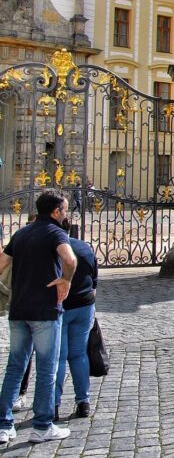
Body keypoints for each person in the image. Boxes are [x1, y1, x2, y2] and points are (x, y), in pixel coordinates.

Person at [0, 190, 77, 446]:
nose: (66, 214)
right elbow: (70, 258)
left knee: (15, 367)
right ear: (56, 211)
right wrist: (65, 279)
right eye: (65, 210)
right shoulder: (55, 233)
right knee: (46, 368)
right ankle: (42, 426)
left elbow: (1, 263)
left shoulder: (21, 233)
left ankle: (3, 424)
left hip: (18, 310)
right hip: (45, 310)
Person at [54, 221, 98, 420]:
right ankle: (83, 402)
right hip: (84, 305)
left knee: (60, 357)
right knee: (79, 354)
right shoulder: (84, 247)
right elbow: (94, 279)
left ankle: (53, 404)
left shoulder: (54, 251)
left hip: (62, 306)